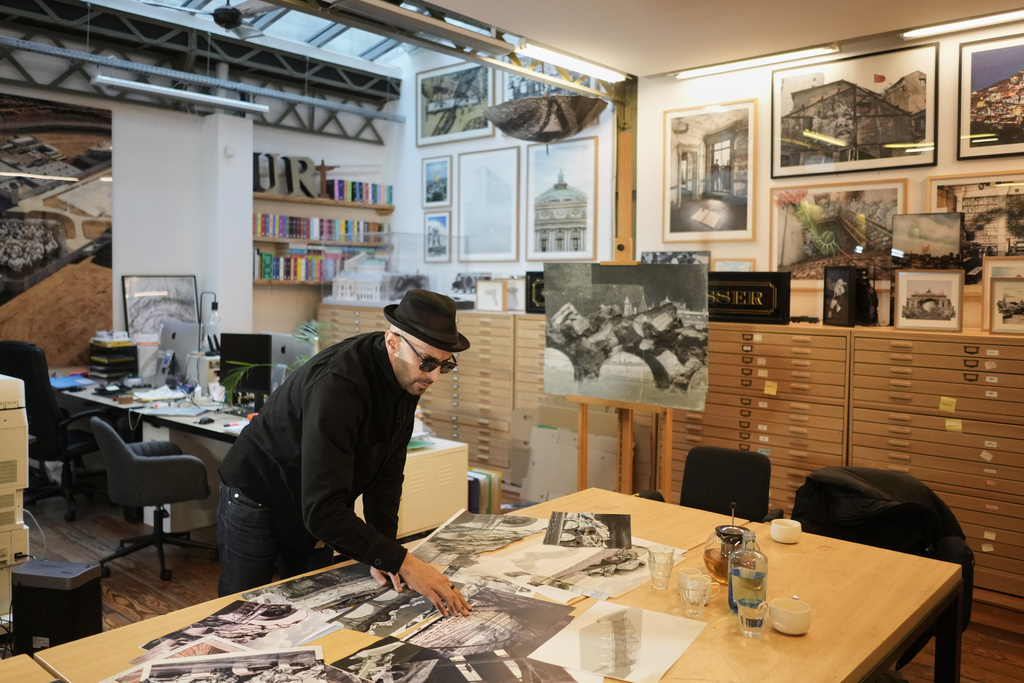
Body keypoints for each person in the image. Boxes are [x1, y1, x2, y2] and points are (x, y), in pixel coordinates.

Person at [217, 288, 472, 618]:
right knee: (239, 615)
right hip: (258, 491)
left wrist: (385, 555)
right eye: (427, 362)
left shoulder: (408, 376)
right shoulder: (340, 384)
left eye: (444, 365)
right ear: (392, 342)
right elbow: (323, 511)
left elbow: (387, 475)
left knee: (313, 610)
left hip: (310, 496)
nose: (434, 376)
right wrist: (405, 563)